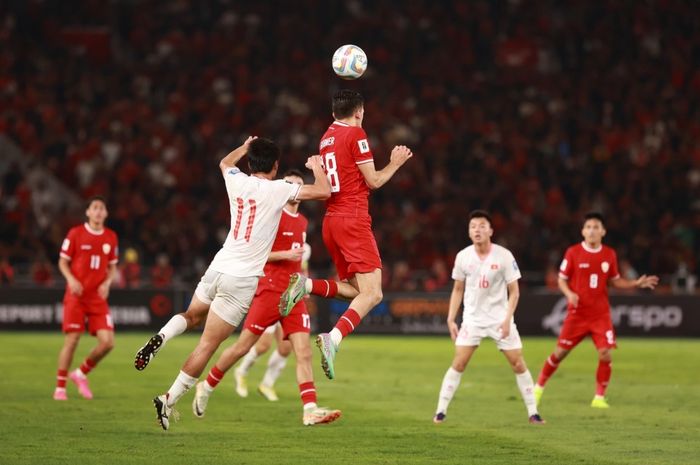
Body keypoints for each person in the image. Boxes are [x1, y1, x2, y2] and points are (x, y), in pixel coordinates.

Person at [151, 136, 331, 430]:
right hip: (258, 284)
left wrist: (246, 147)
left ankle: (309, 408)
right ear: (275, 167)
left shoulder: (241, 182)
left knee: (301, 350)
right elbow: (323, 190)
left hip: (260, 280)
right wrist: (318, 166)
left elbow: (224, 163)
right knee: (232, 346)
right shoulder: (279, 194)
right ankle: (196, 389)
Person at [279, 89, 413, 380]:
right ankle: (333, 339)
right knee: (374, 293)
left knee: (355, 291)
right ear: (359, 111)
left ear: (333, 113)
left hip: (332, 221)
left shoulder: (326, 138)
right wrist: (396, 162)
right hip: (353, 219)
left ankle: (307, 286)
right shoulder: (356, 135)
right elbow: (374, 180)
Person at [192, 168, 340, 425]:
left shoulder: (303, 221)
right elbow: (254, 252)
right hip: (270, 290)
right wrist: (284, 256)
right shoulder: (272, 215)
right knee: (243, 347)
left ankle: (310, 409)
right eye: (290, 183)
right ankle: (207, 385)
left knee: (303, 352)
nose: (295, 189)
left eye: (298, 185)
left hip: (294, 295)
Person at [534, 212, 659, 408]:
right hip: (577, 314)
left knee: (605, 354)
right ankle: (538, 387)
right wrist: (569, 294)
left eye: (596, 227)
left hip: (600, 314)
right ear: (583, 232)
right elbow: (561, 279)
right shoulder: (573, 252)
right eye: (588, 227)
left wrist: (636, 282)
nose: (592, 230)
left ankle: (599, 397)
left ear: (603, 232)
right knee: (559, 353)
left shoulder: (609, 254)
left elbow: (615, 280)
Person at [433, 210, 545, 425]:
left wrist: (507, 319)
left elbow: (515, 291)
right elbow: (457, 289)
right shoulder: (463, 256)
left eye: (482, 226)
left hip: (499, 319)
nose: (477, 229)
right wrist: (450, 318)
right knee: (459, 362)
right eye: (473, 226)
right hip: (473, 320)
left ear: (491, 231)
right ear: (468, 231)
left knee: (517, 363)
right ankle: (440, 411)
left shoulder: (504, 256)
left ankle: (533, 412)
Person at [54, 196, 118, 401]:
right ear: (88, 212)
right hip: (77, 295)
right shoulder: (76, 233)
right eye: (95, 208)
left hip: (97, 298)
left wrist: (107, 283)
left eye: (102, 208)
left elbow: (112, 266)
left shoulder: (111, 237)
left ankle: (80, 373)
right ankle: (60, 386)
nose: (98, 211)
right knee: (72, 339)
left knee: (108, 343)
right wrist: (71, 280)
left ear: (106, 213)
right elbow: (63, 262)